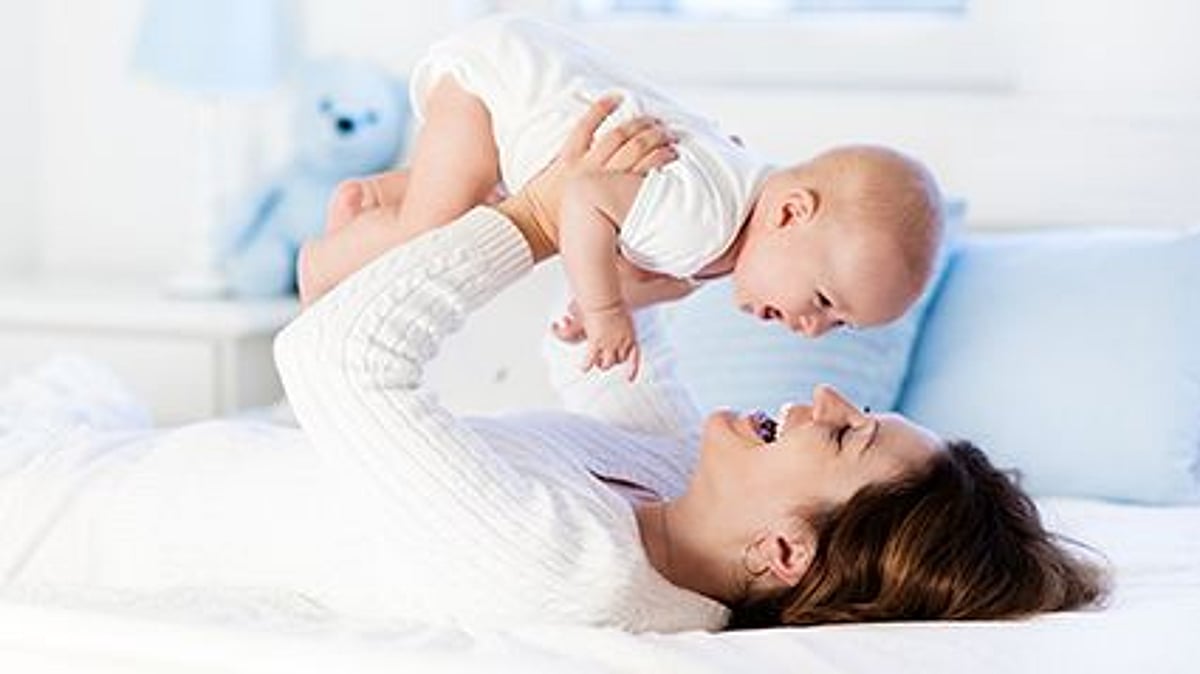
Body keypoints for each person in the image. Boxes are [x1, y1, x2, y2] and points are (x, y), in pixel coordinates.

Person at [0, 103, 1103, 633]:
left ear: (783, 549)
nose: (819, 389)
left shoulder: (575, 568)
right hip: (120, 455)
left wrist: (535, 216)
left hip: (46, 509)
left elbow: (332, 358)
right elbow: (602, 349)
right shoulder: (673, 492)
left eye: (847, 431)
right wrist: (668, 249)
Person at [298, 14, 944, 378]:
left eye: (835, 324)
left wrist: (599, 296)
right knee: (434, 235)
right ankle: (323, 263)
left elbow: (637, 263)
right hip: (493, 84)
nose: (811, 329)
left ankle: (376, 198)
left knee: (475, 202)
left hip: (522, 79)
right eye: (825, 302)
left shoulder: (726, 229)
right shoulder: (705, 220)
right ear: (791, 212)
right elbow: (583, 200)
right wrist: (607, 312)